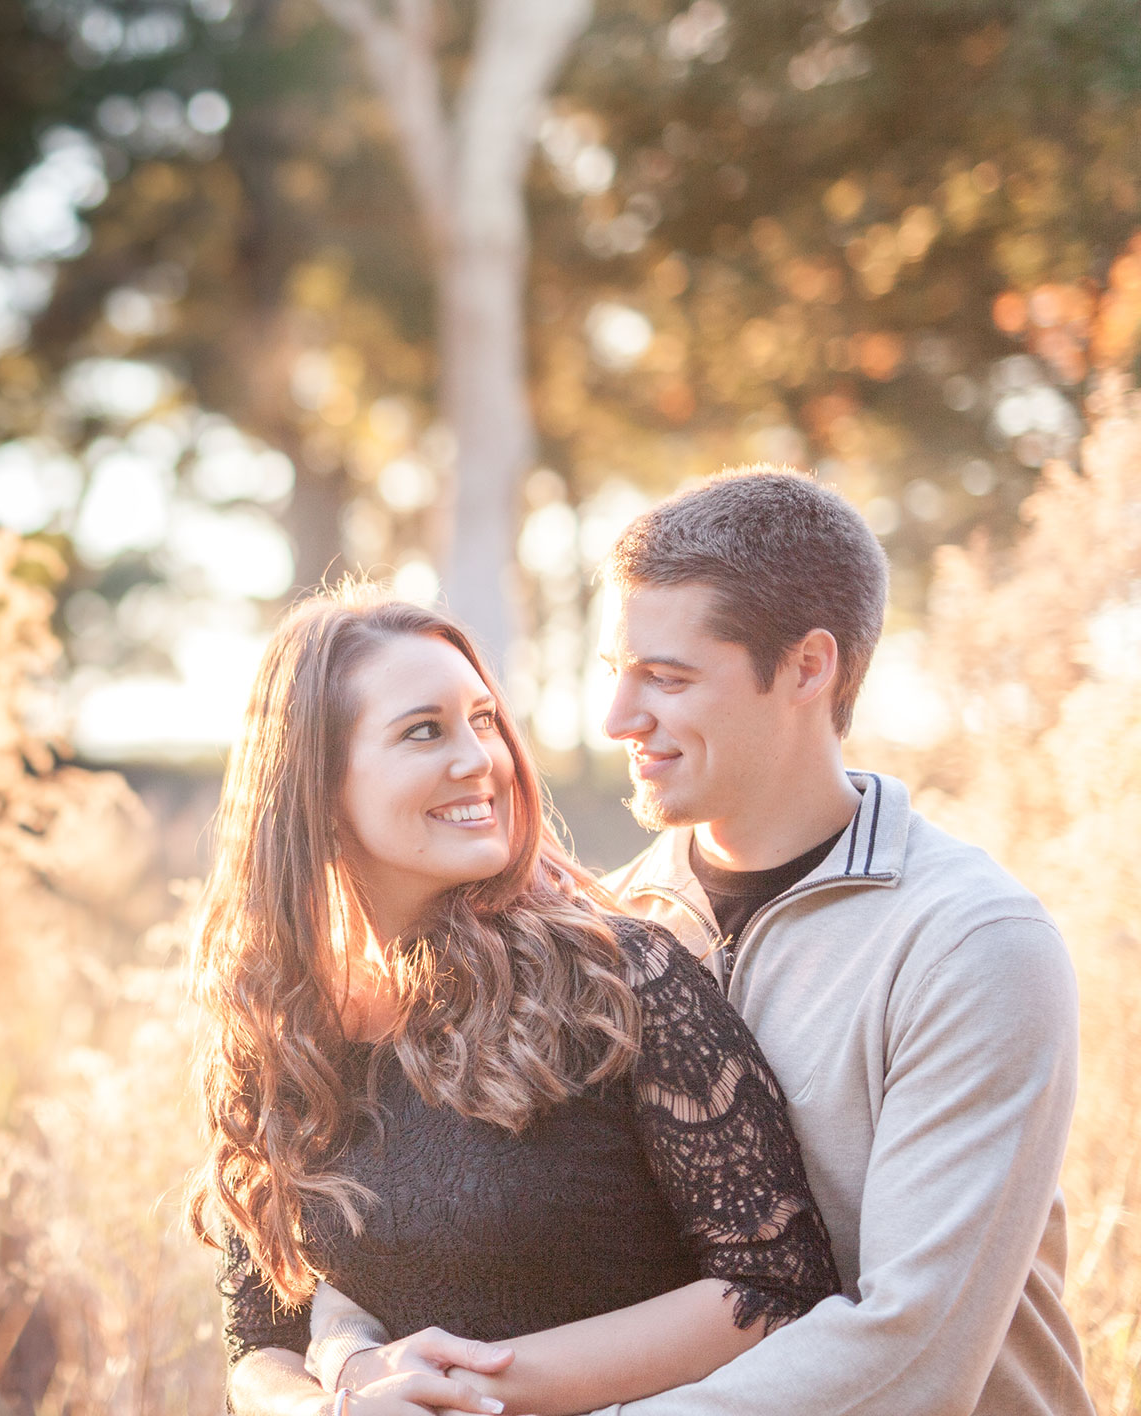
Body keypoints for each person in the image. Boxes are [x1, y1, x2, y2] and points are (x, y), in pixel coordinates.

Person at [305, 468, 1091, 1416]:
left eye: (667, 679)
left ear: (808, 668)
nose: (617, 719)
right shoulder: (601, 930)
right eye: (617, 673)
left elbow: (913, 1350)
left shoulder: (969, 946)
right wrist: (347, 1365)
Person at [194, 583, 842, 1416]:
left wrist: (466, 1389)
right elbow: (259, 1342)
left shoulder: (615, 980)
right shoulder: (278, 1031)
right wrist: (331, 1406)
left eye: (484, 719)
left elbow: (776, 1285)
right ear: (314, 785)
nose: (481, 760)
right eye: (423, 731)